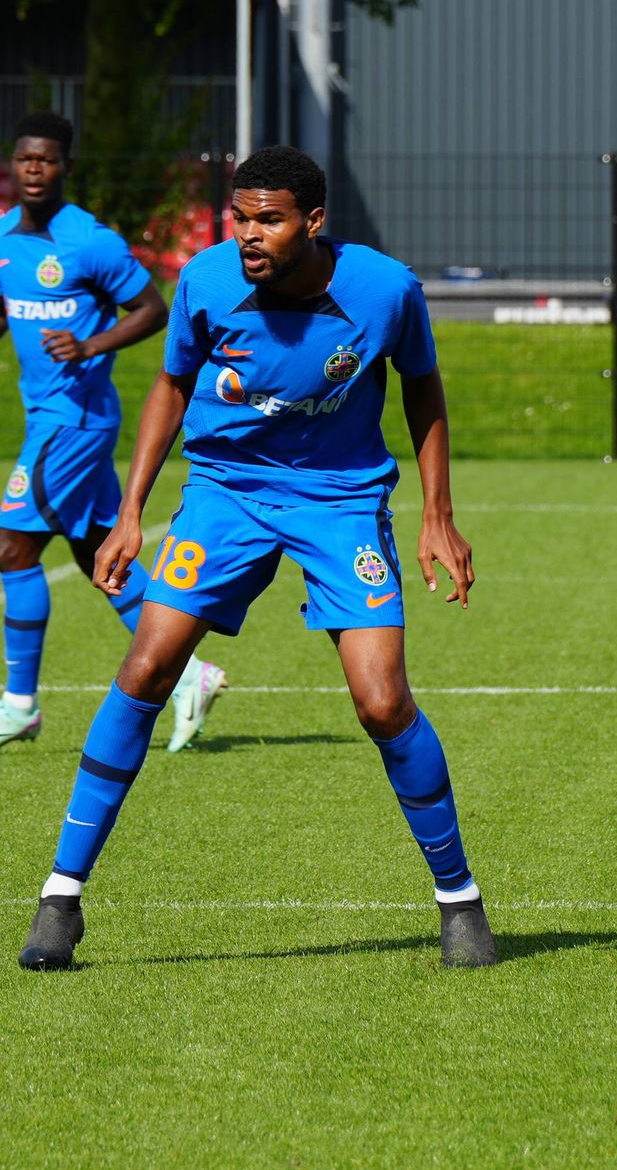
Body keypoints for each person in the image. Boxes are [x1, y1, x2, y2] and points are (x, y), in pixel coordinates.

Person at [18, 144, 495, 971]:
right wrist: (130, 513)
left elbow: (422, 385)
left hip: (341, 497)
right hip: (226, 490)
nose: (248, 234)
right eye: (239, 218)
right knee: (146, 668)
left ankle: (460, 903)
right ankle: (61, 894)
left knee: (382, 703)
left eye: (267, 219)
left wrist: (437, 517)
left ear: (312, 222)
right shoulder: (207, 282)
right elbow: (169, 387)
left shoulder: (386, 289)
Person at [0, 111, 227, 752]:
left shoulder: (89, 241)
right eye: (24, 160)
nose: (34, 170)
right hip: (51, 417)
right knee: (97, 554)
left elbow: (153, 308)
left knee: (11, 550)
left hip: (74, 421)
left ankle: (18, 704)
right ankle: (187, 676)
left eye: (46, 160)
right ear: (13, 166)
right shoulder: (5, 241)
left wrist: (89, 344)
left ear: (66, 166)